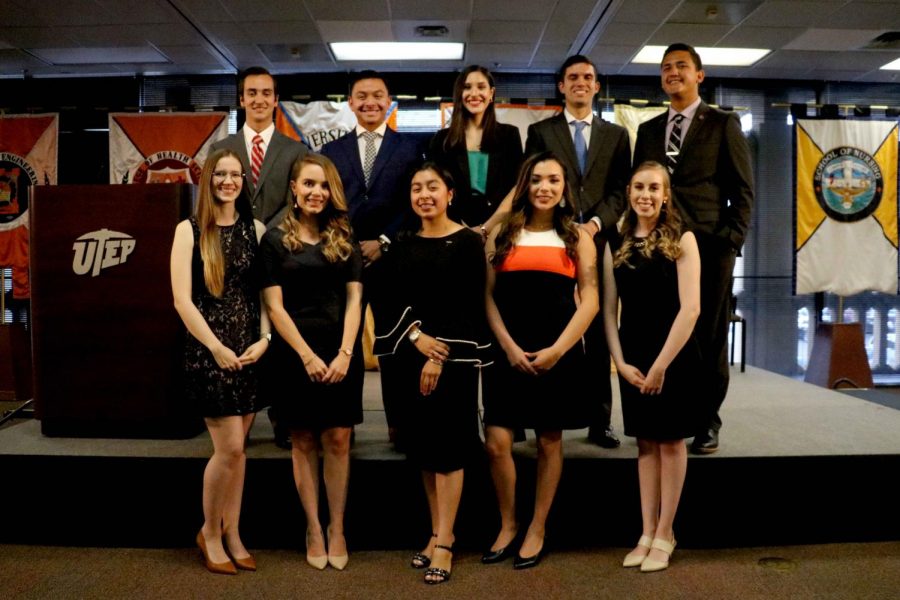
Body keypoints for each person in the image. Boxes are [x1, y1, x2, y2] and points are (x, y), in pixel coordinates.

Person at [632, 43, 754, 454]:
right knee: (665, 330)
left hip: (709, 244)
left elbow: (743, 190)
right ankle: (671, 416)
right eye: (666, 68)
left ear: (699, 75)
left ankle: (707, 421)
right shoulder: (648, 130)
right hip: (659, 246)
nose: (673, 73)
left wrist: (731, 242)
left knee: (707, 333)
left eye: (681, 66)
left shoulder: (722, 123)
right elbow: (640, 189)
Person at [372, 162, 490, 585]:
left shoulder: (466, 242)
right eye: (417, 188)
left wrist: (438, 356)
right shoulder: (402, 245)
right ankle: (438, 530)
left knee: (450, 449)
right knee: (424, 449)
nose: (424, 194)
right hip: (410, 355)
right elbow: (386, 301)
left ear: (450, 194)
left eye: (433, 187)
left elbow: (469, 306)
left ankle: (445, 542)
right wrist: (416, 338)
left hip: (452, 362)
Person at [482, 152, 599, 569]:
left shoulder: (577, 237)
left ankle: (537, 527)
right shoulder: (501, 234)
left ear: (564, 188)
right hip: (506, 350)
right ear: (524, 186)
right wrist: (508, 347)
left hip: (557, 352)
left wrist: (558, 350)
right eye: (536, 180)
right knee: (497, 443)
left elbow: (590, 300)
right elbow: (488, 299)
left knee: (549, 441)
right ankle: (509, 523)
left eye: (553, 180)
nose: (544, 187)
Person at [260, 154, 364, 571]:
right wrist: (305, 355)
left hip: (340, 351)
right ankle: (313, 527)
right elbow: (274, 305)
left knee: (338, 439)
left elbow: (356, 298)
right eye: (308, 184)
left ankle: (337, 526)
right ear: (294, 189)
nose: (316, 192)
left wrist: (344, 353)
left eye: (323, 185)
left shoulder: (344, 235)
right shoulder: (273, 239)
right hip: (294, 354)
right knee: (302, 439)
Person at [170, 148, 270, 575]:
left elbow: (267, 295)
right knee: (227, 448)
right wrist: (215, 347)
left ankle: (233, 531)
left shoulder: (258, 229)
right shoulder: (189, 231)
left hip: (249, 352)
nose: (228, 182)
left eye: (235, 175)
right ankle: (210, 532)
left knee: (239, 452)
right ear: (208, 180)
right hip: (209, 353)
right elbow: (181, 300)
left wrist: (265, 339)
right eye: (220, 175)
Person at [524, 54, 631, 449]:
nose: (581, 82)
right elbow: (533, 184)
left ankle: (598, 421)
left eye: (588, 76)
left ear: (597, 85)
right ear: (562, 86)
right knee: (544, 322)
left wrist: (594, 224)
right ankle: (531, 413)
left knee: (599, 329)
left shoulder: (616, 136)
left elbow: (621, 190)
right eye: (573, 77)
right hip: (550, 238)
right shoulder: (541, 132)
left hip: (599, 240)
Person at [602, 161, 701, 572]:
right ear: (629, 191)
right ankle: (645, 531)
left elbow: (691, 308)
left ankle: (666, 532)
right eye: (639, 186)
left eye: (654, 187)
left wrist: (661, 364)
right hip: (634, 357)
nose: (645, 194)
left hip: (672, 355)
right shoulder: (617, 241)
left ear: (666, 194)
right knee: (644, 444)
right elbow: (608, 311)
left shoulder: (684, 238)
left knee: (670, 442)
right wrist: (620, 362)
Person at [321, 70, 423, 449]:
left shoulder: (410, 149)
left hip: (391, 258)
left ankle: (400, 423)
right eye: (361, 96)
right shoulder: (332, 152)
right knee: (340, 341)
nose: (370, 102)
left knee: (394, 343)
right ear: (350, 102)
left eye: (378, 95)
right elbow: (328, 205)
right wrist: (347, 243)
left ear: (389, 101)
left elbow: (415, 204)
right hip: (343, 258)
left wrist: (384, 240)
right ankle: (342, 422)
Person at [210, 66, 308, 449]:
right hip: (229, 252)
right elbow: (213, 196)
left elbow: (296, 201)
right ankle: (240, 418)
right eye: (252, 92)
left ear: (275, 99)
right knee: (239, 331)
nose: (259, 99)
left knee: (279, 337)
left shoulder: (295, 150)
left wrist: (263, 231)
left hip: (280, 251)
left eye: (266, 92)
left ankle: (282, 417)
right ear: (241, 99)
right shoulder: (222, 150)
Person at [427, 65, 523, 236]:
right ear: (459, 94)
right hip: (452, 229)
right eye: (467, 87)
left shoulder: (509, 135)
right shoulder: (442, 140)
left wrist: (487, 228)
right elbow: (436, 188)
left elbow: (517, 186)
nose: (474, 94)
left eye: (481, 87)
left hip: (500, 229)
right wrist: (461, 228)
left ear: (491, 93)